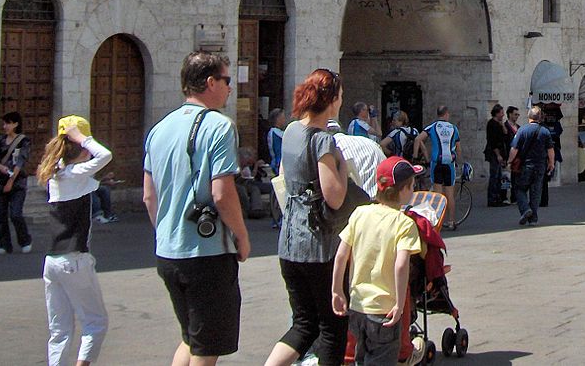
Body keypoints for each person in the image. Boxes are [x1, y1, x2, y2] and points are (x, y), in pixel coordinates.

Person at [142, 51, 250, 365]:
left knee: (191, 337)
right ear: (210, 82)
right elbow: (222, 193)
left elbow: (149, 197)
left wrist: (165, 232)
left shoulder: (159, 129)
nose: (231, 88)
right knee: (207, 346)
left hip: (168, 251)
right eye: (227, 80)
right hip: (207, 254)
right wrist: (241, 236)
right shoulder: (219, 127)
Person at [264, 68, 351, 366]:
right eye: (338, 97)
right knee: (332, 328)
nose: (340, 102)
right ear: (331, 100)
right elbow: (335, 196)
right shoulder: (322, 141)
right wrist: (342, 164)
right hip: (318, 246)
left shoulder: (291, 131)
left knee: (303, 324)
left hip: (289, 241)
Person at [331, 156, 425, 366]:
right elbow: (401, 265)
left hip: (358, 306)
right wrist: (401, 304)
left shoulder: (360, 213)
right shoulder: (404, 223)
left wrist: (337, 290)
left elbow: (341, 255)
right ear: (404, 190)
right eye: (412, 185)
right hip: (384, 309)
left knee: (361, 358)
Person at [38, 115, 112, 366]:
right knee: (95, 323)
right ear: (78, 146)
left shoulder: (56, 174)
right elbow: (105, 156)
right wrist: (84, 138)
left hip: (52, 260)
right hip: (74, 258)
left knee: (59, 330)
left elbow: (88, 183)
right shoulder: (75, 173)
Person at [0, 110, 34, 255]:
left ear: (15, 124)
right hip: (1, 181)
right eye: (4, 123)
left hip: (17, 182)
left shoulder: (23, 141)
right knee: (1, 215)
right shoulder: (0, 140)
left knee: (15, 214)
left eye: (8, 123)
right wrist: (1, 167)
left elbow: (20, 161)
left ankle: (25, 240)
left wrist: (11, 181)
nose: (5, 126)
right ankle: (4, 245)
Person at [414, 106, 460, 229]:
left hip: (437, 163)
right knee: (450, 194)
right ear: (446, 114)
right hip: (449, 163)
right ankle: (451, 221)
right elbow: (458, 147)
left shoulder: (432, 127)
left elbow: (418, 139)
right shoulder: (453, 128)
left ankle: (438, 222)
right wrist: (459, 161)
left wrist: (416, 156)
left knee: (438, 194)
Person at [509, 106, 554, 226]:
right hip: (540, 166)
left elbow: (514, 149)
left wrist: (509, 161)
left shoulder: (522, 130)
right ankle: (533, 218)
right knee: (536, 192)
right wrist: (551, 163)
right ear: (540, 118)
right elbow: (550, 149)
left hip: (525, 165)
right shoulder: (545, 131)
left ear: (529, 117)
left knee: (519, 188)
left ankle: (525, 209)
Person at [483, 104, 509, 207]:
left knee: (499, 176)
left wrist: (502, 125)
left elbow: (505, 135)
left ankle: (498, 198)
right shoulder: (491, 124)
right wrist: (498, 154)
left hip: (501, 152)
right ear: (497, 113)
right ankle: (492, 198)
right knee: (494, 176)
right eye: (502, 113)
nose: (503, 115)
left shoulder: (499, 124)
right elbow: (492, 141)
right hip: (494, 153)